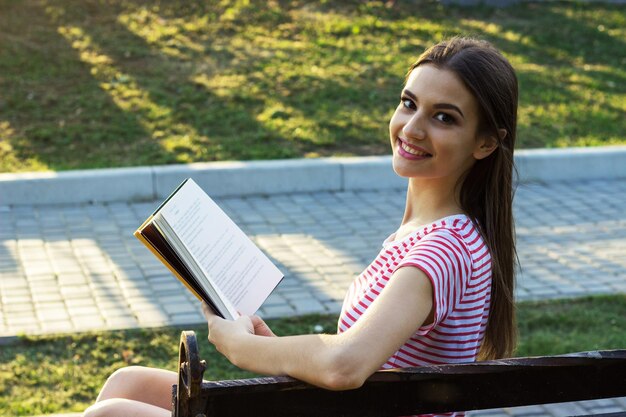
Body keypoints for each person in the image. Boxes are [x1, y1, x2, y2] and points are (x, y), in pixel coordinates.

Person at [84, 36, 518, 417]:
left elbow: (344, 366)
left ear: (486, 142)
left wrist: (242, 348)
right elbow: (360, 360)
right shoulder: (431, 235)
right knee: (129, 385)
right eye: (409, 103)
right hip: (340, 407)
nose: (413, 127)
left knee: (113, 414)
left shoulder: (443, 247)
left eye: (444, 117)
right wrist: (276, 347)